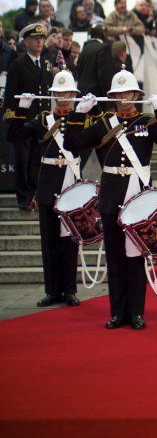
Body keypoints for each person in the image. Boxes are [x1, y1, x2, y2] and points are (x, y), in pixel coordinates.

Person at [64, 70, 157, 329]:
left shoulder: (147, 122)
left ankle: (137, 311)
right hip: (112, 195)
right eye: (119, 94)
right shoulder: (105, 124)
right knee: (115, 258)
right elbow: (72, 143)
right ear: (113, 97)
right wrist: (79, 113)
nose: (124, 98)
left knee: (136, 256)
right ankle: (118, 312)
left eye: (129, 93)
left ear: (136, 95)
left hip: (138, 197)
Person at [8, 70, 83, 307]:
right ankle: (52, 291)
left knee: (70, 239)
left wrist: (94, 112)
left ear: (73, 94)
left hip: (71, 182)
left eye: (67, 93)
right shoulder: (43, 119)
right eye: (58, 93)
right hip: (48, 182)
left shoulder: (80, 118)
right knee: (49, 240)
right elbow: (14, 135)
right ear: (52, 94)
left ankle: (70, 289)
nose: (63, 97)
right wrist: (21, 109)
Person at [2, 23, 54, 210]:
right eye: (35, 39)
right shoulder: (18, 64)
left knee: (37, 161)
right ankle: (24, 198)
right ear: (26, 42)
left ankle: (35, 195)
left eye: (41, 39)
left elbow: (47, 96)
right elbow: (10, 96)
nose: (40, 42)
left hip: (41, 122)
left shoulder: (46, 65)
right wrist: (14, 119)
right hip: (23, 122)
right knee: (23, 161)